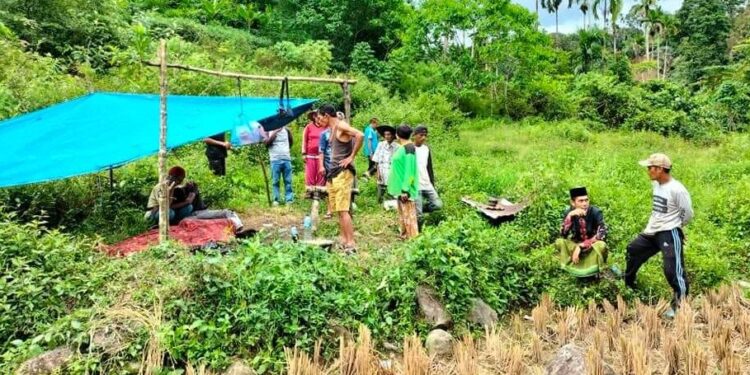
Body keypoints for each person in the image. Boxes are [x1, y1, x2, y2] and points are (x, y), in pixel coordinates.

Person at [624, 153, 693, 319]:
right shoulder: (656, 184)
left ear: (661, 169)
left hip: (669, 232)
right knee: (633, 250)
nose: (648, 171)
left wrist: (675, 225)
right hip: (652, 231)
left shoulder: (677, 190)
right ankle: (628, 283)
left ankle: (680, 304)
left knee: (672, 270)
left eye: (650, 168)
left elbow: (688, 213)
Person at [317, 104, 363, 252]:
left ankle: (351, 242)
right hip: (334, 172)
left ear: (326, 115)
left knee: (343, 209)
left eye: (320, 117)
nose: (319, 121)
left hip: (343, 172)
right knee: (337, 208)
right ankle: (344, 238)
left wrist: (351, 157)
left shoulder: (341, 125)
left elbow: (360, 135)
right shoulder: (332, 129)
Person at [555, 187, 608, 278]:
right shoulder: (569, 212)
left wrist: (581, 246)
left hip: (592, 247)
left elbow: (602, 233)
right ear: (572, 202)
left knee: (601, 245)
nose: (585, 203)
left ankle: (593, 269)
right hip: (575, 245)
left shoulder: (595, 212)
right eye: (581, 201)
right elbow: (563, 235)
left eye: (586, 200)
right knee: (559, 242)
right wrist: (569, 217)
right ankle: (573, 266)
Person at [388, 125, 420, 239]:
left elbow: (410, 171)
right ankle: (405, 236)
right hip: (399, 187)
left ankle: (413, 240)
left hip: (405, 189)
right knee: (403, 215)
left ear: (397, 135)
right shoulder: (403, 147)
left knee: (409, 216)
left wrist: (405, 189)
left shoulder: (409, 148)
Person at [413, 126, 443, 224]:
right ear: (414, 135)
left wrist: (432, 183)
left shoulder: (426, 149)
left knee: (438, 205)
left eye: (425, 135)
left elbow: (429, 167)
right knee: (419, 217)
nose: (424, 138)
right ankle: (417, 235)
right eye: (421, 135)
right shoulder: (409, 149)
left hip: (426, 183)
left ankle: (419, 208)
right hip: (415, 185)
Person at [261, 125, 294, 206]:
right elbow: (266, 143)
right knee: (275, 181)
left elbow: (291, 142)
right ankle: (276, 200)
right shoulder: (267, 130)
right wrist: (275, 131)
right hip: (275, 160)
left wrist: (285, 150)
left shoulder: (287, 129)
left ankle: (289, 200)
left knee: (288, 181)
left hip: (286, 158)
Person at [302, 111, 326, 198]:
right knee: (310, 173)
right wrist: (304, 153)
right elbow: (304, 140)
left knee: (321, 172)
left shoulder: (325, 127)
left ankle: (320, 192)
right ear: (314, 117)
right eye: (316, 116)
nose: (317, 118)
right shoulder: (309, 127)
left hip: (322, 154)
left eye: (319, 116)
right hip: (310, 154)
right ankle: (310, 191)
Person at [371, 124, 397, 203]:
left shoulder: (397, 147)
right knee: (380, 191)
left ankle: (392, 205)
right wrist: (377, 172)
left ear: (392, 135)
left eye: (388, 134)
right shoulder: (381, 145)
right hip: (382, 170)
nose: (387, 136)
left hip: (392, 172)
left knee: (392, 193)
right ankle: (379, 204)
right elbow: (377, 160)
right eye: (385, 135)